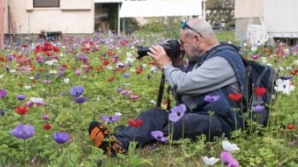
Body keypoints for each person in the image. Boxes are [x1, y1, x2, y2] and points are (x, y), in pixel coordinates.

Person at [89, 18, 247, 155]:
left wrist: (166, 65)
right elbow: (185, 93)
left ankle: (135, 138)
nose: (182, 48)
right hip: (198, 113)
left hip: (222, 121)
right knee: (153, 114)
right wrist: (177, 64)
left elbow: (185, 85)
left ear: (197, 39)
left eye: (183, 43)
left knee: (185, 124)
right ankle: (118, 143)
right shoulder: (204, 59)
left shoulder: (224, 59)